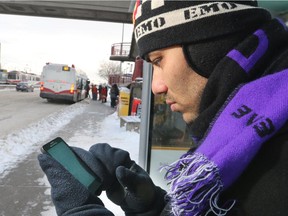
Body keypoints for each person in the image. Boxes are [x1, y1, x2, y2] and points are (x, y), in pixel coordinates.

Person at [38, 1, 288, 215]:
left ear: (208, 45)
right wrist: (153, 207)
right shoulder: (241, 131)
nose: (156, 86)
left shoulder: (276, 167)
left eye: (158, 60)